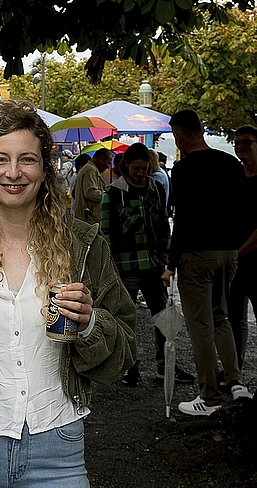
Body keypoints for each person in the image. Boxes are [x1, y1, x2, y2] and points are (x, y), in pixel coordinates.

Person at [0, 99, 136, 487]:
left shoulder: (82, 245)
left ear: (46, 169)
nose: (13, 173)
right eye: (0, 159)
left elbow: (125, 351)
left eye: (27, 160)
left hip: (57, 446)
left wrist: (89, 323)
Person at [163, 109, 252, 417]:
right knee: (222, 318)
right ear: (201, 129)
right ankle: (236, 381)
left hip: (196, 254)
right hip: (228, 253)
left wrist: (171, 263)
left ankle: (210, 397)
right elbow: (243, 212)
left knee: (201, 327)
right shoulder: (231, 164)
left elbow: (183, 220)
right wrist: (234, 248)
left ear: (179, 136)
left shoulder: (184, 169)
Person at [100, 142, 194, 387]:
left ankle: (166, 367)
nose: (140, 173)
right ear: (126, 166)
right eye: (136, 168)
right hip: (125, 266)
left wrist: (166, 258)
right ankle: (131, 369)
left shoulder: (154, 188)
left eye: (144, 168)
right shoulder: (113, 193)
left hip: (153, 264)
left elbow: (163, 225)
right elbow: (106, 234)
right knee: (126, 322)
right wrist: (110, 268)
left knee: (163, 318)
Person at [228, 125, 257, 370]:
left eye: (246, 142)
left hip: (250, 258)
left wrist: (237, 252)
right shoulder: (236, 177)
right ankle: (234, 371)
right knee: (235, 317)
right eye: (237, 143)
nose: (241, 147)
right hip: (235, 261)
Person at [73, 147, 112, 224]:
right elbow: (90, 193)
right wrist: (107, 194)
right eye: (108, 162)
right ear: (101, 159)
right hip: (88, 218)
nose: (108, 167)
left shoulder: (90, 169)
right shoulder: (90, 170)